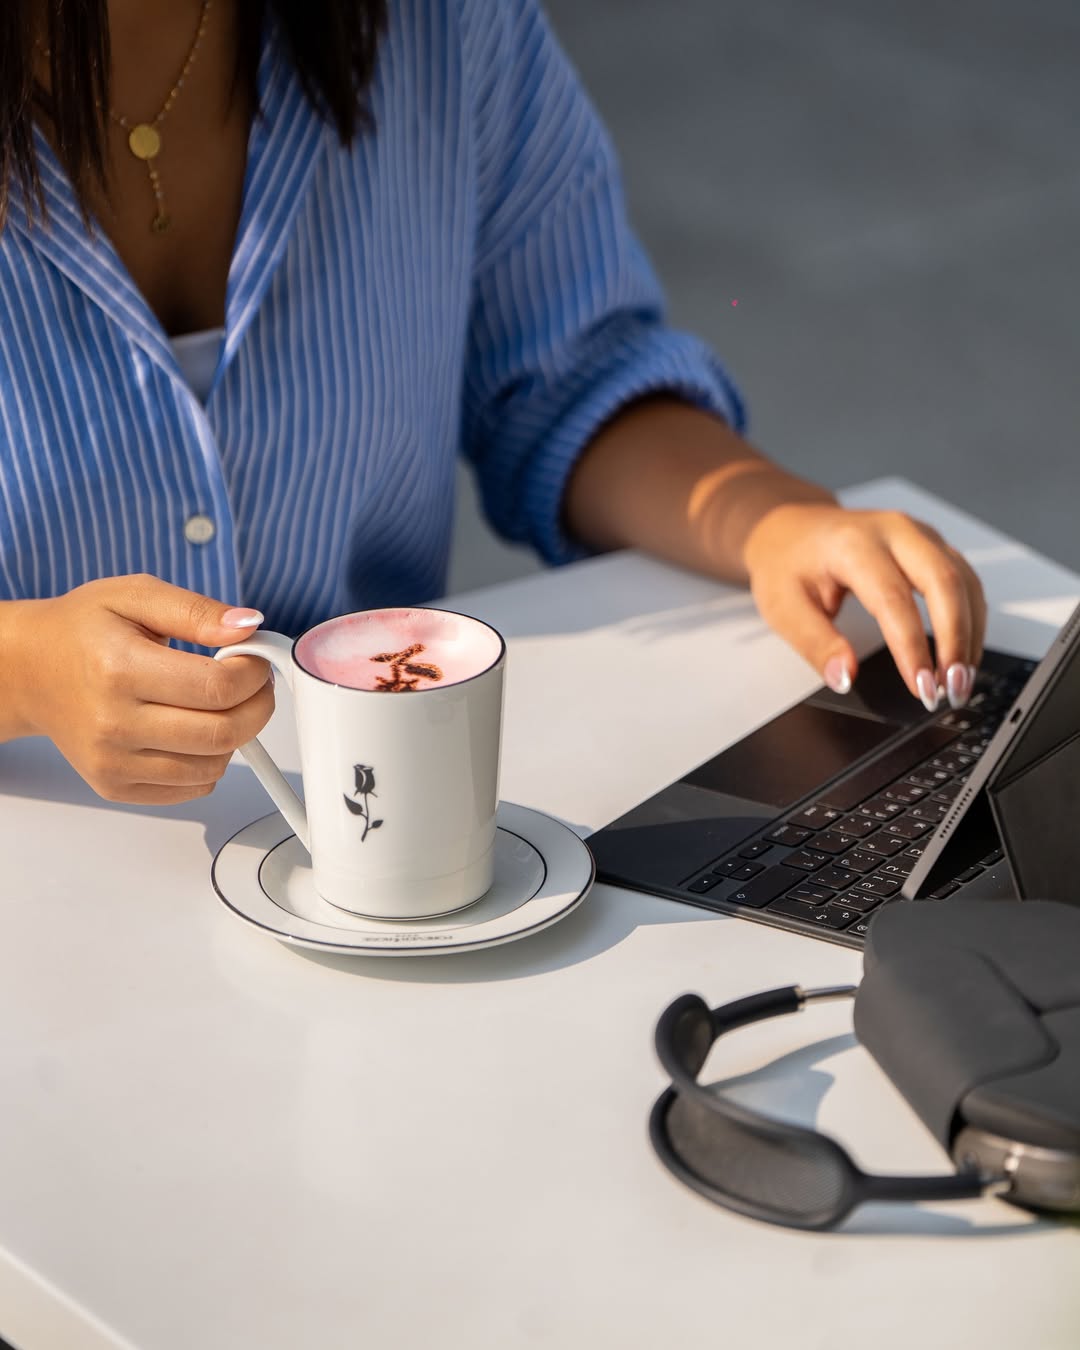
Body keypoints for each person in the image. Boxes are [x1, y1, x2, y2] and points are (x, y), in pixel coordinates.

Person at [0, 0, 985, 806]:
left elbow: (569, 376)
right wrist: (26, 672)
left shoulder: (445, 26)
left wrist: (772, 522)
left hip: (385, 843)